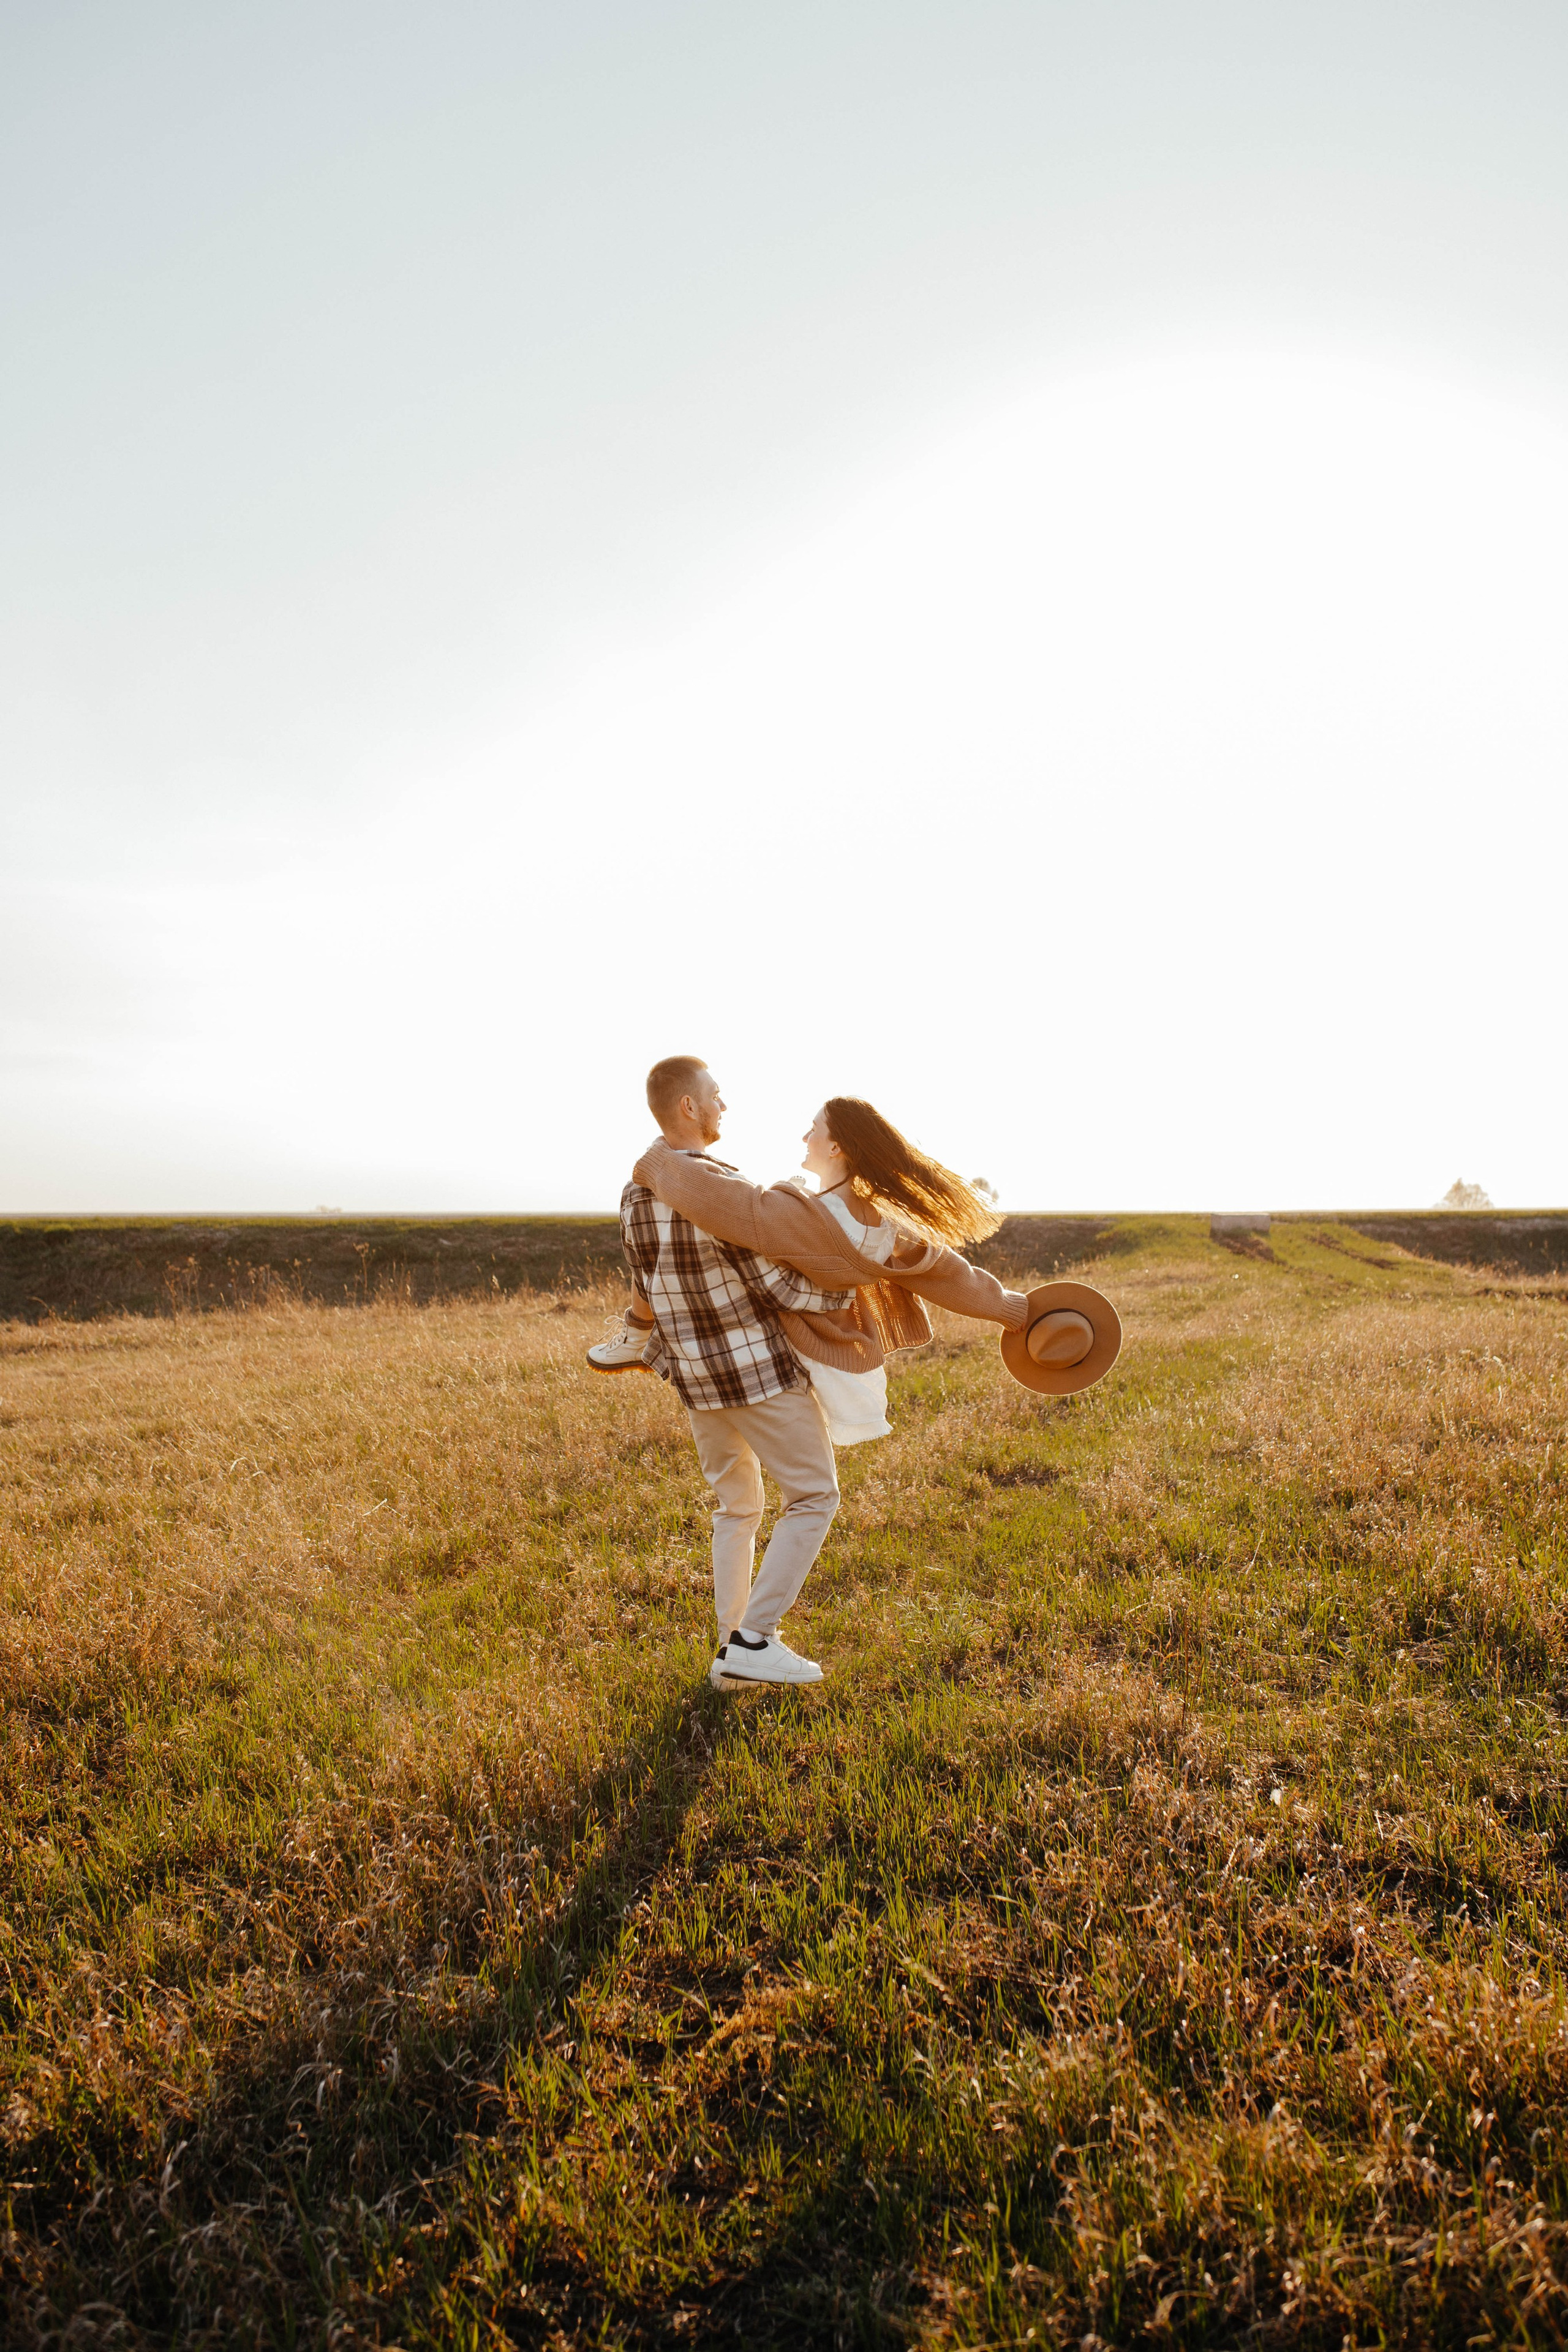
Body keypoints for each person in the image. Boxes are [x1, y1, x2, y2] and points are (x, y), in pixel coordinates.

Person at [589, 1058, 1033, 1691]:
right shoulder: (725, 1191)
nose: (725, 1104)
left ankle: (730, 1655)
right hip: (753, 1373)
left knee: (736, 1507)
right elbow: (778, 1286)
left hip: (693, 1378)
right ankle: (753, 1639)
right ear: (689, 1107)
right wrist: (845, 1292)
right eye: (715, 1096)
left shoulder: (638, 1191)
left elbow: (644, 1278)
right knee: (815, 1496)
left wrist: (635, 1333)